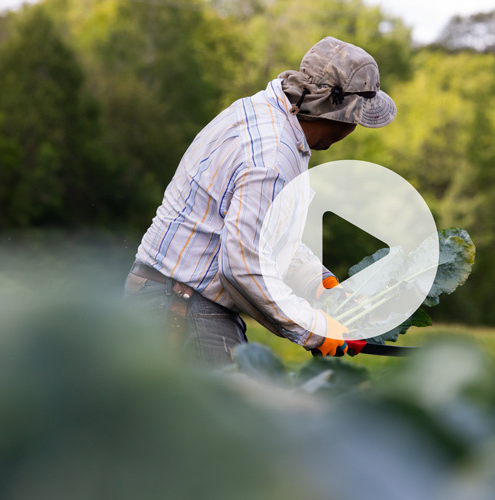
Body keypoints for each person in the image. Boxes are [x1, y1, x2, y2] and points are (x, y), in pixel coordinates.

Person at [123, 36, 396, 365]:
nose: (353, 129)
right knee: (224, 416)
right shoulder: (271, 156)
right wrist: (316, 329)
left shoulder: (268, 116)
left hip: (173, 298)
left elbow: (261, 232)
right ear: (337, 112)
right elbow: (242, 266)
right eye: (356, 119)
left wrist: (318, 282)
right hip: (180, 307)